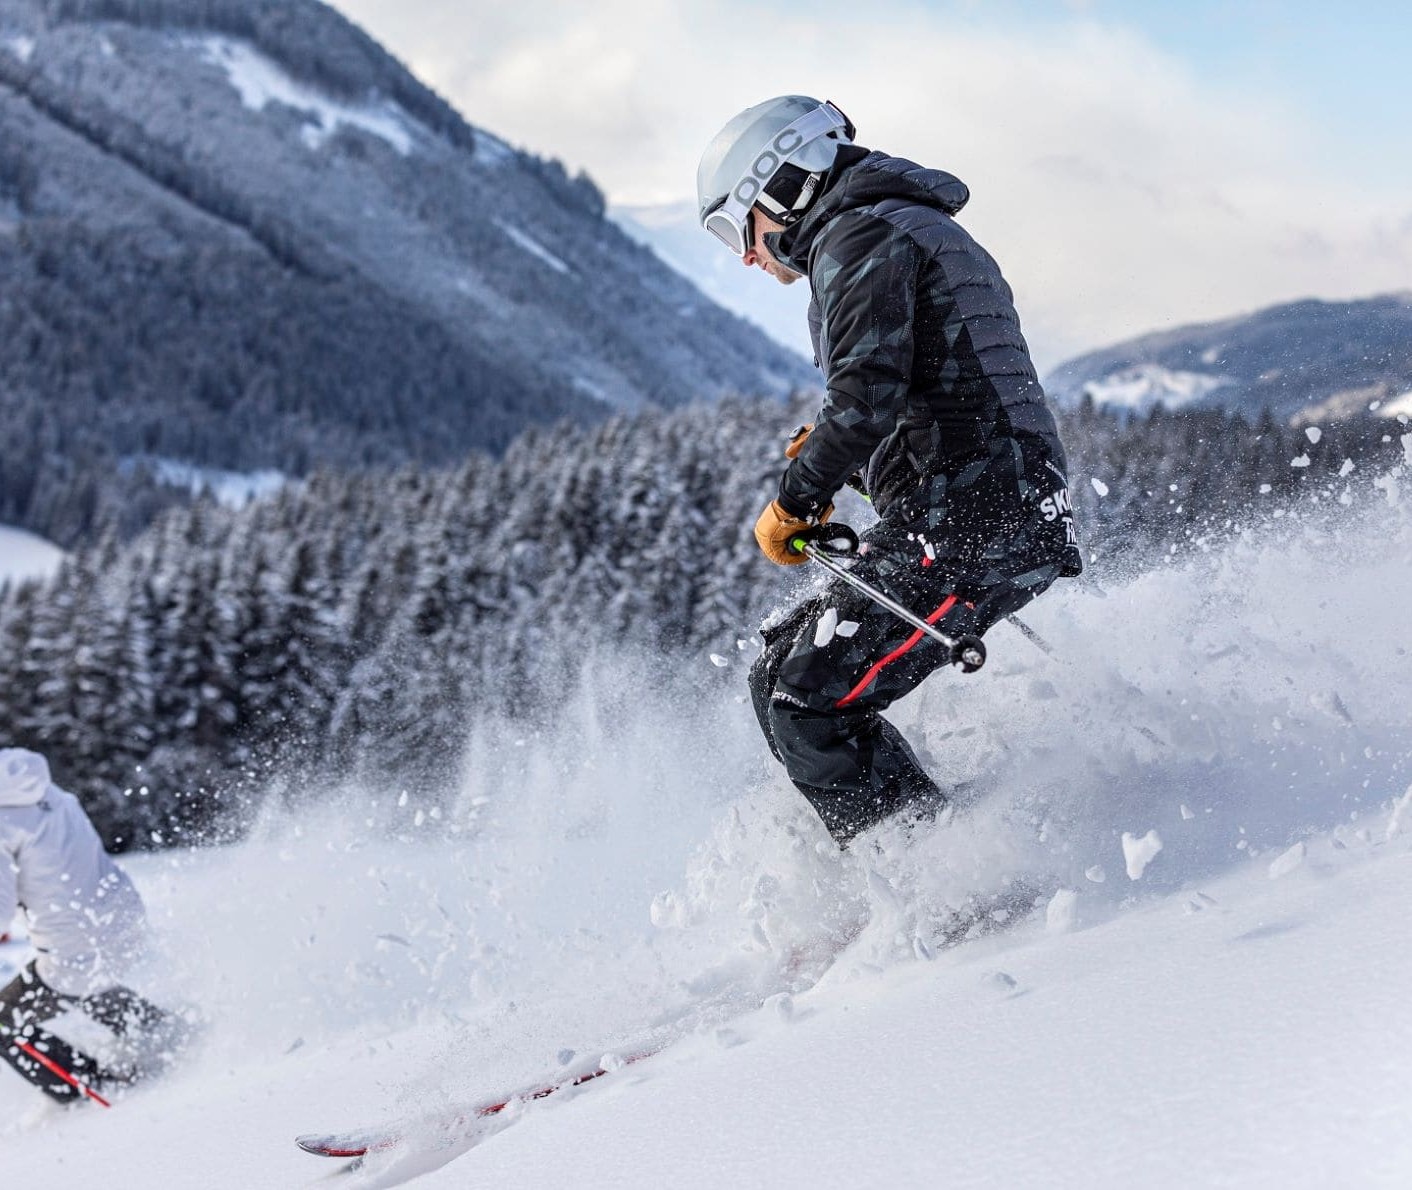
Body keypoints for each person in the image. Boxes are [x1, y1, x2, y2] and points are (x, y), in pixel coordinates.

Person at [697, 97, 1082, 847]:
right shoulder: (893, 224)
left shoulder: (860, 232)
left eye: (733, 228)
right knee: (776, 671)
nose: (743, 255)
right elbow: (937, 393)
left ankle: (938, 884)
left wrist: (797, 499)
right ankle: (897, 869)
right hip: (980, 505)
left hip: (978, 518)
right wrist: (856, 459)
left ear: (781, 186)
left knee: (803, 698)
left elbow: (867, 397)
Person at [0, 747, 184, 1104]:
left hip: (76, 941)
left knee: (5, 1019)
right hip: (122, 917)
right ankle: (170, 1034)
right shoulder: (40, 785)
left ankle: (94, 1092)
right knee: (83, 980)